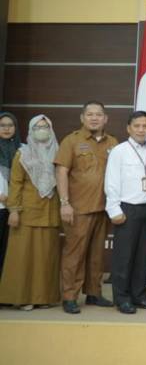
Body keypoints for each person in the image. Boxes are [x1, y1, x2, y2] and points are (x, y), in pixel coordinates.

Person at [55, 101, 118, 314]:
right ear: (82, 118)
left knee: (97, 255)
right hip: (78, 208)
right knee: (74, 255)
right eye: (89, 114)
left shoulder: (113, 142)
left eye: (98, 114)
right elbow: (61, 172)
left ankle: (94, 293)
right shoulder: (71, 141)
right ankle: (69, 296)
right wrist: (65, 203)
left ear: (105, 118)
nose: (94, 118)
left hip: (104, 208)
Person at [0, 115, 60, 309]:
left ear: (51, 129)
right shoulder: (22, 154)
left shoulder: (58, 152)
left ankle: (43, 298)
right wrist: (14, 210)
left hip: (50, 211)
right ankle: (22, 298)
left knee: (46, 257)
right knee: (23, 256)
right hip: (26, 212)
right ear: (30, 130)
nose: (41, 130)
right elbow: (16, 183)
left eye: (45, 127)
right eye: (37, 127)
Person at [104, 111, 146, 314]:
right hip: (127, 208)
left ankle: (139, 296)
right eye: (137, 126)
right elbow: (111, 181)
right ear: (128, 128)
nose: (141, 130)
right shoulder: (119, 151)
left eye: (145, 126)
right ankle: (122, 298)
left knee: (144, 256)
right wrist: (114, 209)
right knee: (124, 256)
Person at [0, 112, 21, 278]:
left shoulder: (21, 149)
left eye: (10, 125)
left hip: (15, 207)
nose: (6, 129)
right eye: (2, 125)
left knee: (8, 249)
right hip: (1, 204)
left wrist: (13, 200)